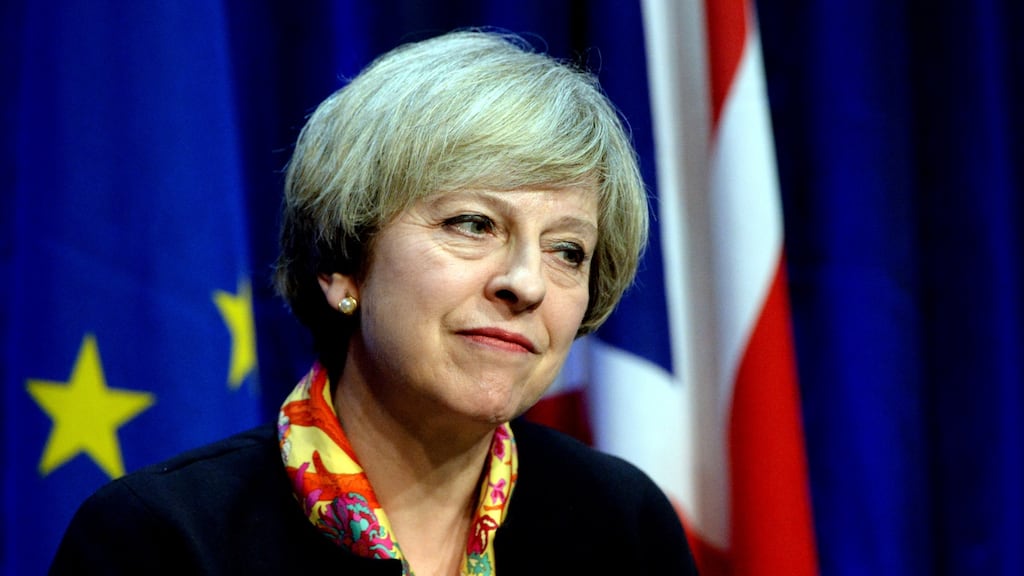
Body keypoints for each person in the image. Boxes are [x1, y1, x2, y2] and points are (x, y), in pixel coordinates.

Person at [51, 30, 699, 575]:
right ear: (341, 267)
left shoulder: (624, 527)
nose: (526, 283)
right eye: (473, 224)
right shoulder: (160, 540)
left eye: (568, 252)